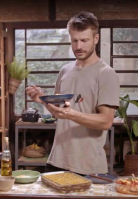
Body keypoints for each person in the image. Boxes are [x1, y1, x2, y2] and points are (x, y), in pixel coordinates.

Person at [25, 11, 120, 175]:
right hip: (57, 160)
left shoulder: (106, 74)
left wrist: (71, 114)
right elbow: (58, 113)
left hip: (87, 165)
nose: (79, 46)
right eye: (74, 40)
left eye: (84, 40)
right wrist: (42, 100)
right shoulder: (65, 71)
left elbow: (106, 121)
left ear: (95, 39)